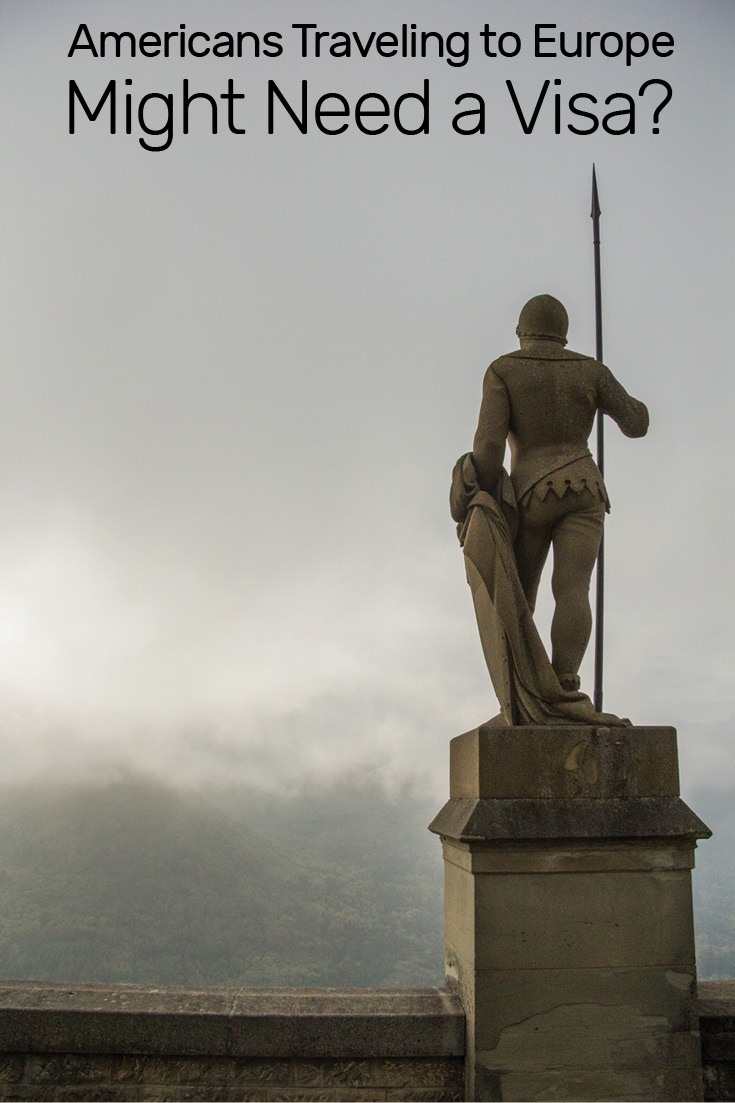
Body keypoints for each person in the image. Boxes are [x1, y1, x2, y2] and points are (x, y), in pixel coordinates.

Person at [471, 294, 648, 692]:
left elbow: (489, 447)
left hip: (531, 492)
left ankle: (526, 685)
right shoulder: (591, 370)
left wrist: (481, 497)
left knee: (520, 595)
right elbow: (636, 423)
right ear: (563, 334)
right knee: (572, 588)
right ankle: (565, 681)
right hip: (585, 486)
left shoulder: (503, 369)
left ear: (521, 332)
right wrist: (612, 389)